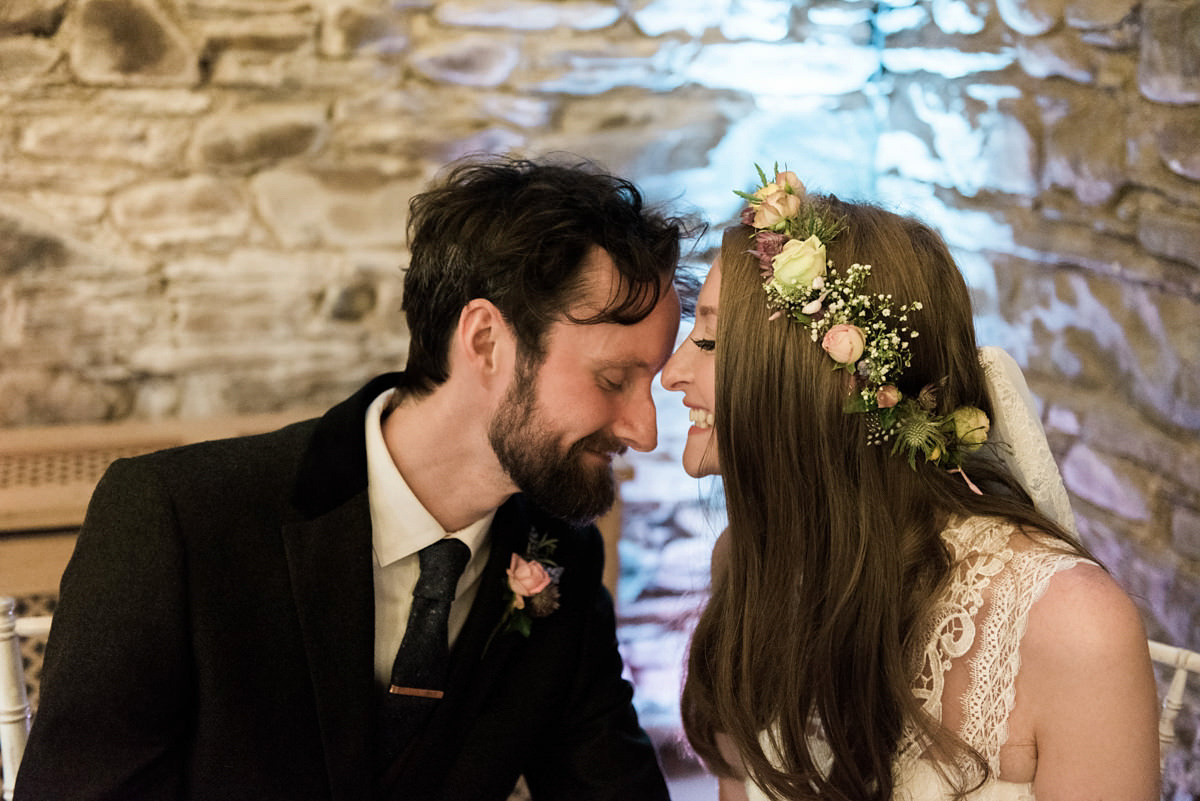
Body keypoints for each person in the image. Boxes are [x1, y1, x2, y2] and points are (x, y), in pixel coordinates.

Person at [16, 156, 688, 801]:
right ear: (485, 341)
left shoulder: (563, 559)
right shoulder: (176, 520)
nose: (644, 429)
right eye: (612, 378)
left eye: (649, 383)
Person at [661, 166, 1161, 801]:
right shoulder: (745, 563)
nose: (672, 373)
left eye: (708, 339)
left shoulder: (1072, 625)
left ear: (830, 378)